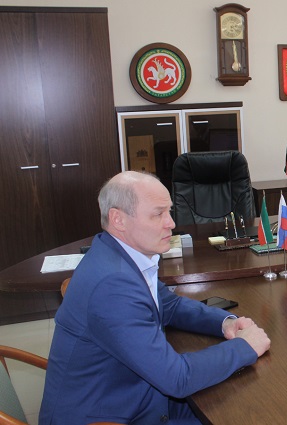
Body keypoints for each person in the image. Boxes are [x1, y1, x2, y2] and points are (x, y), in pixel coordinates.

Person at [39, 171, 271, 424]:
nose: (171, 223)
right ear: (118, 219)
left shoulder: (119, 255)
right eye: (158, 214)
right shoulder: (113, 284)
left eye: (169, 211)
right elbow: (177, 378)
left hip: (133, 394)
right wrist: (245, 346)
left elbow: (169, 305)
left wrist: (224, 323)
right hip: (110, 415)